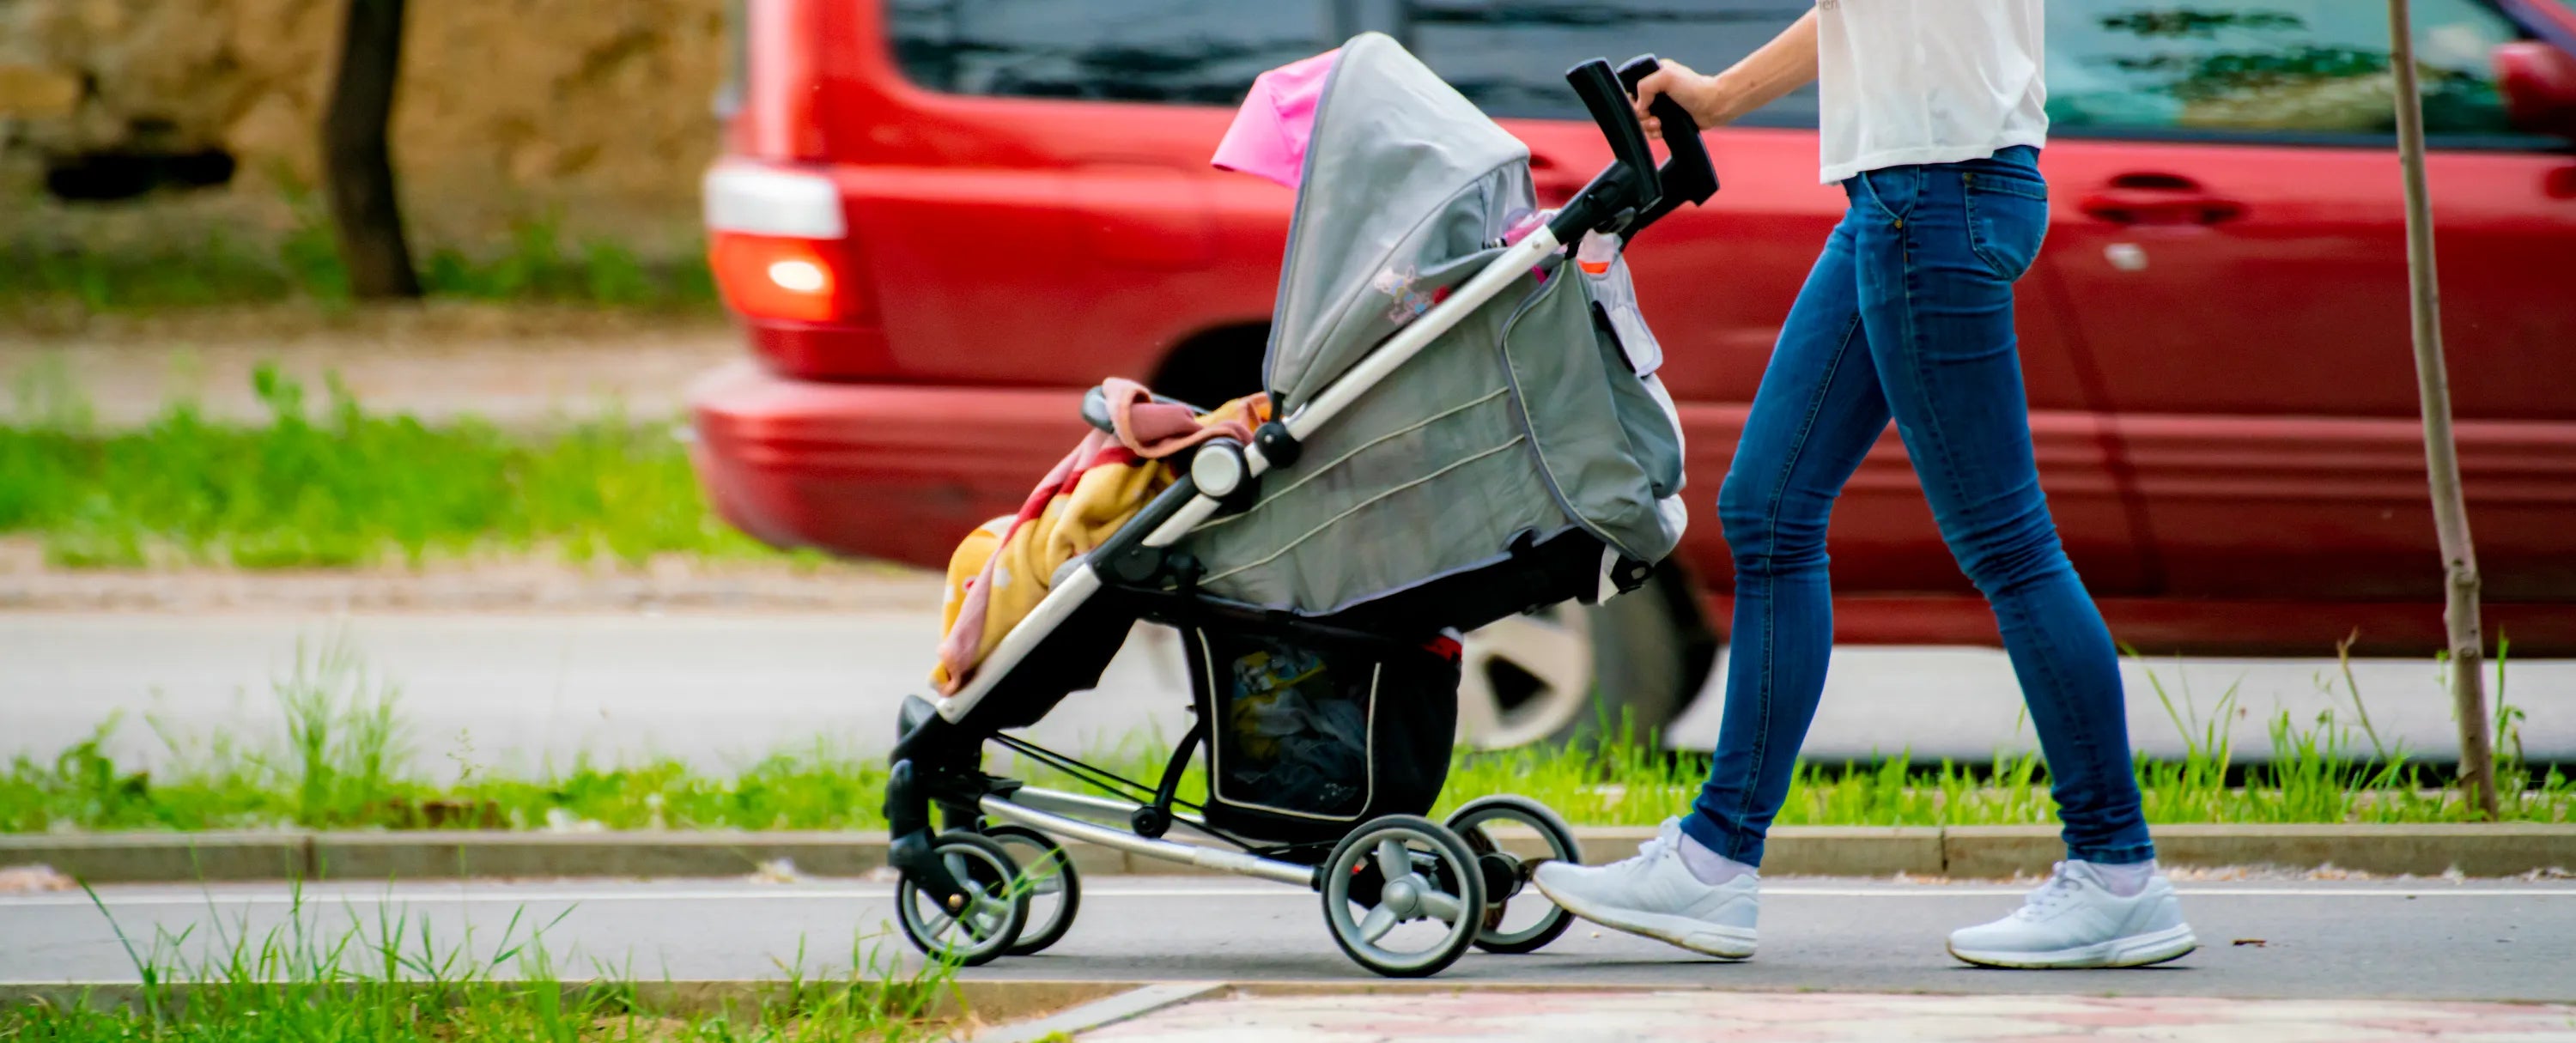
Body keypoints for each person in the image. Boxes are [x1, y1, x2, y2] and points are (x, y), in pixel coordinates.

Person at [1530, 2, 2198, 969]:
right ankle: (1715, 863)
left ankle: (2116, 871)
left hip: (1936, 192)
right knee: (1766, 509)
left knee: (2008, 544)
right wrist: (1718, 97)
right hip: (1907, 194)